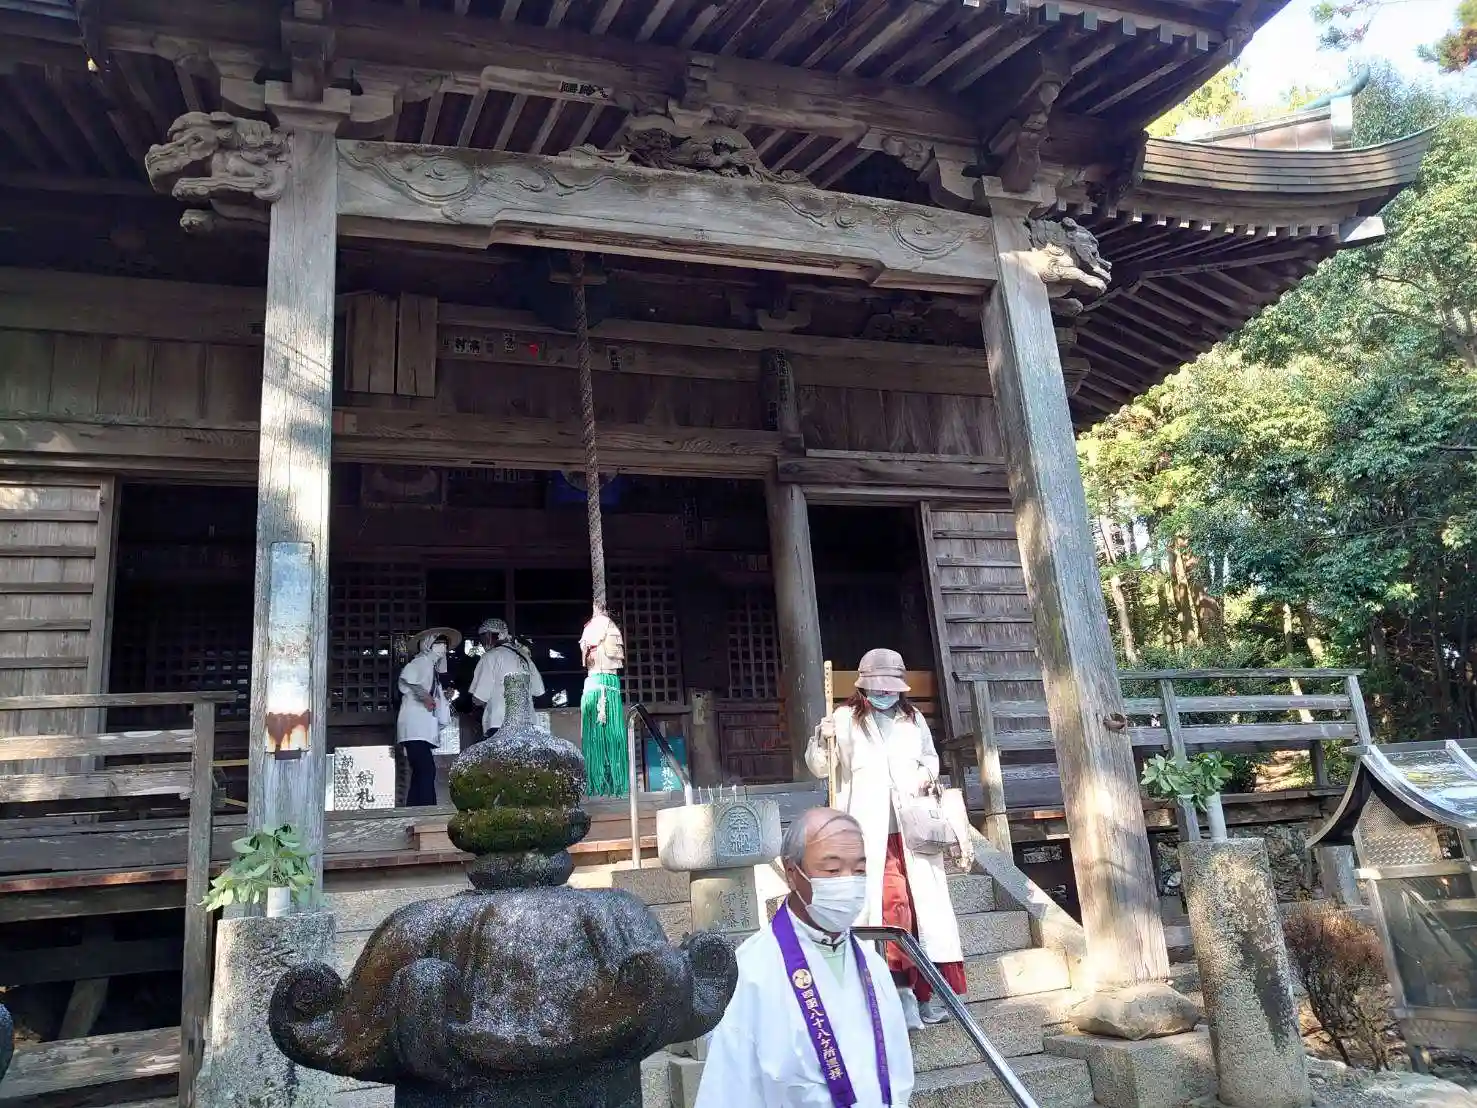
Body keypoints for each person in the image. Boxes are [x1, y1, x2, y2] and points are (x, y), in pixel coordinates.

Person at [696, 807, 914, 1108]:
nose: (848, 882)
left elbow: (898, 1071)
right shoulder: (752, 971)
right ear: (791, 872)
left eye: (859, 871)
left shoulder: (873, 966)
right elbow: (729, 1091)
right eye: (832, 870)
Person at [805, 648, 966, 1030]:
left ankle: (930, 996)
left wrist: (924, 775)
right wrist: (821, 739)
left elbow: (930, 758)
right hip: (869, 834)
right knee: (892, 911)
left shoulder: (913, 719)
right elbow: (823, 768)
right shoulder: (844, 719)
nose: (885, 694)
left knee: (927, 916)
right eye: (879, 688)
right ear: (864, 686)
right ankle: (897, 995)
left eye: (891, 688)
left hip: (914, 833)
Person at [396, 628, 459, 807]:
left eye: (445, 644)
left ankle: (414, 810)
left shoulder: (432, 668)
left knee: (421, 771)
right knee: (426, 770)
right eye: (439, 642)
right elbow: (407, 679)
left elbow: (432, 696)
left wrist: (443, 697)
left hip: (420, 728)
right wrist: (424, 696)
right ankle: (426, 810)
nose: (443, 647)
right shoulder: (421, 661)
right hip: (414, 726)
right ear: (428, 645)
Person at [468, 618, 545, 739]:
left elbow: (479, 698)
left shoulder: (490, 657)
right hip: (528, 725)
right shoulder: (524, 656)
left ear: (496, 636)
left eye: (486, 637)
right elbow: (538, 691)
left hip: (499, 724)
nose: (483, 642)